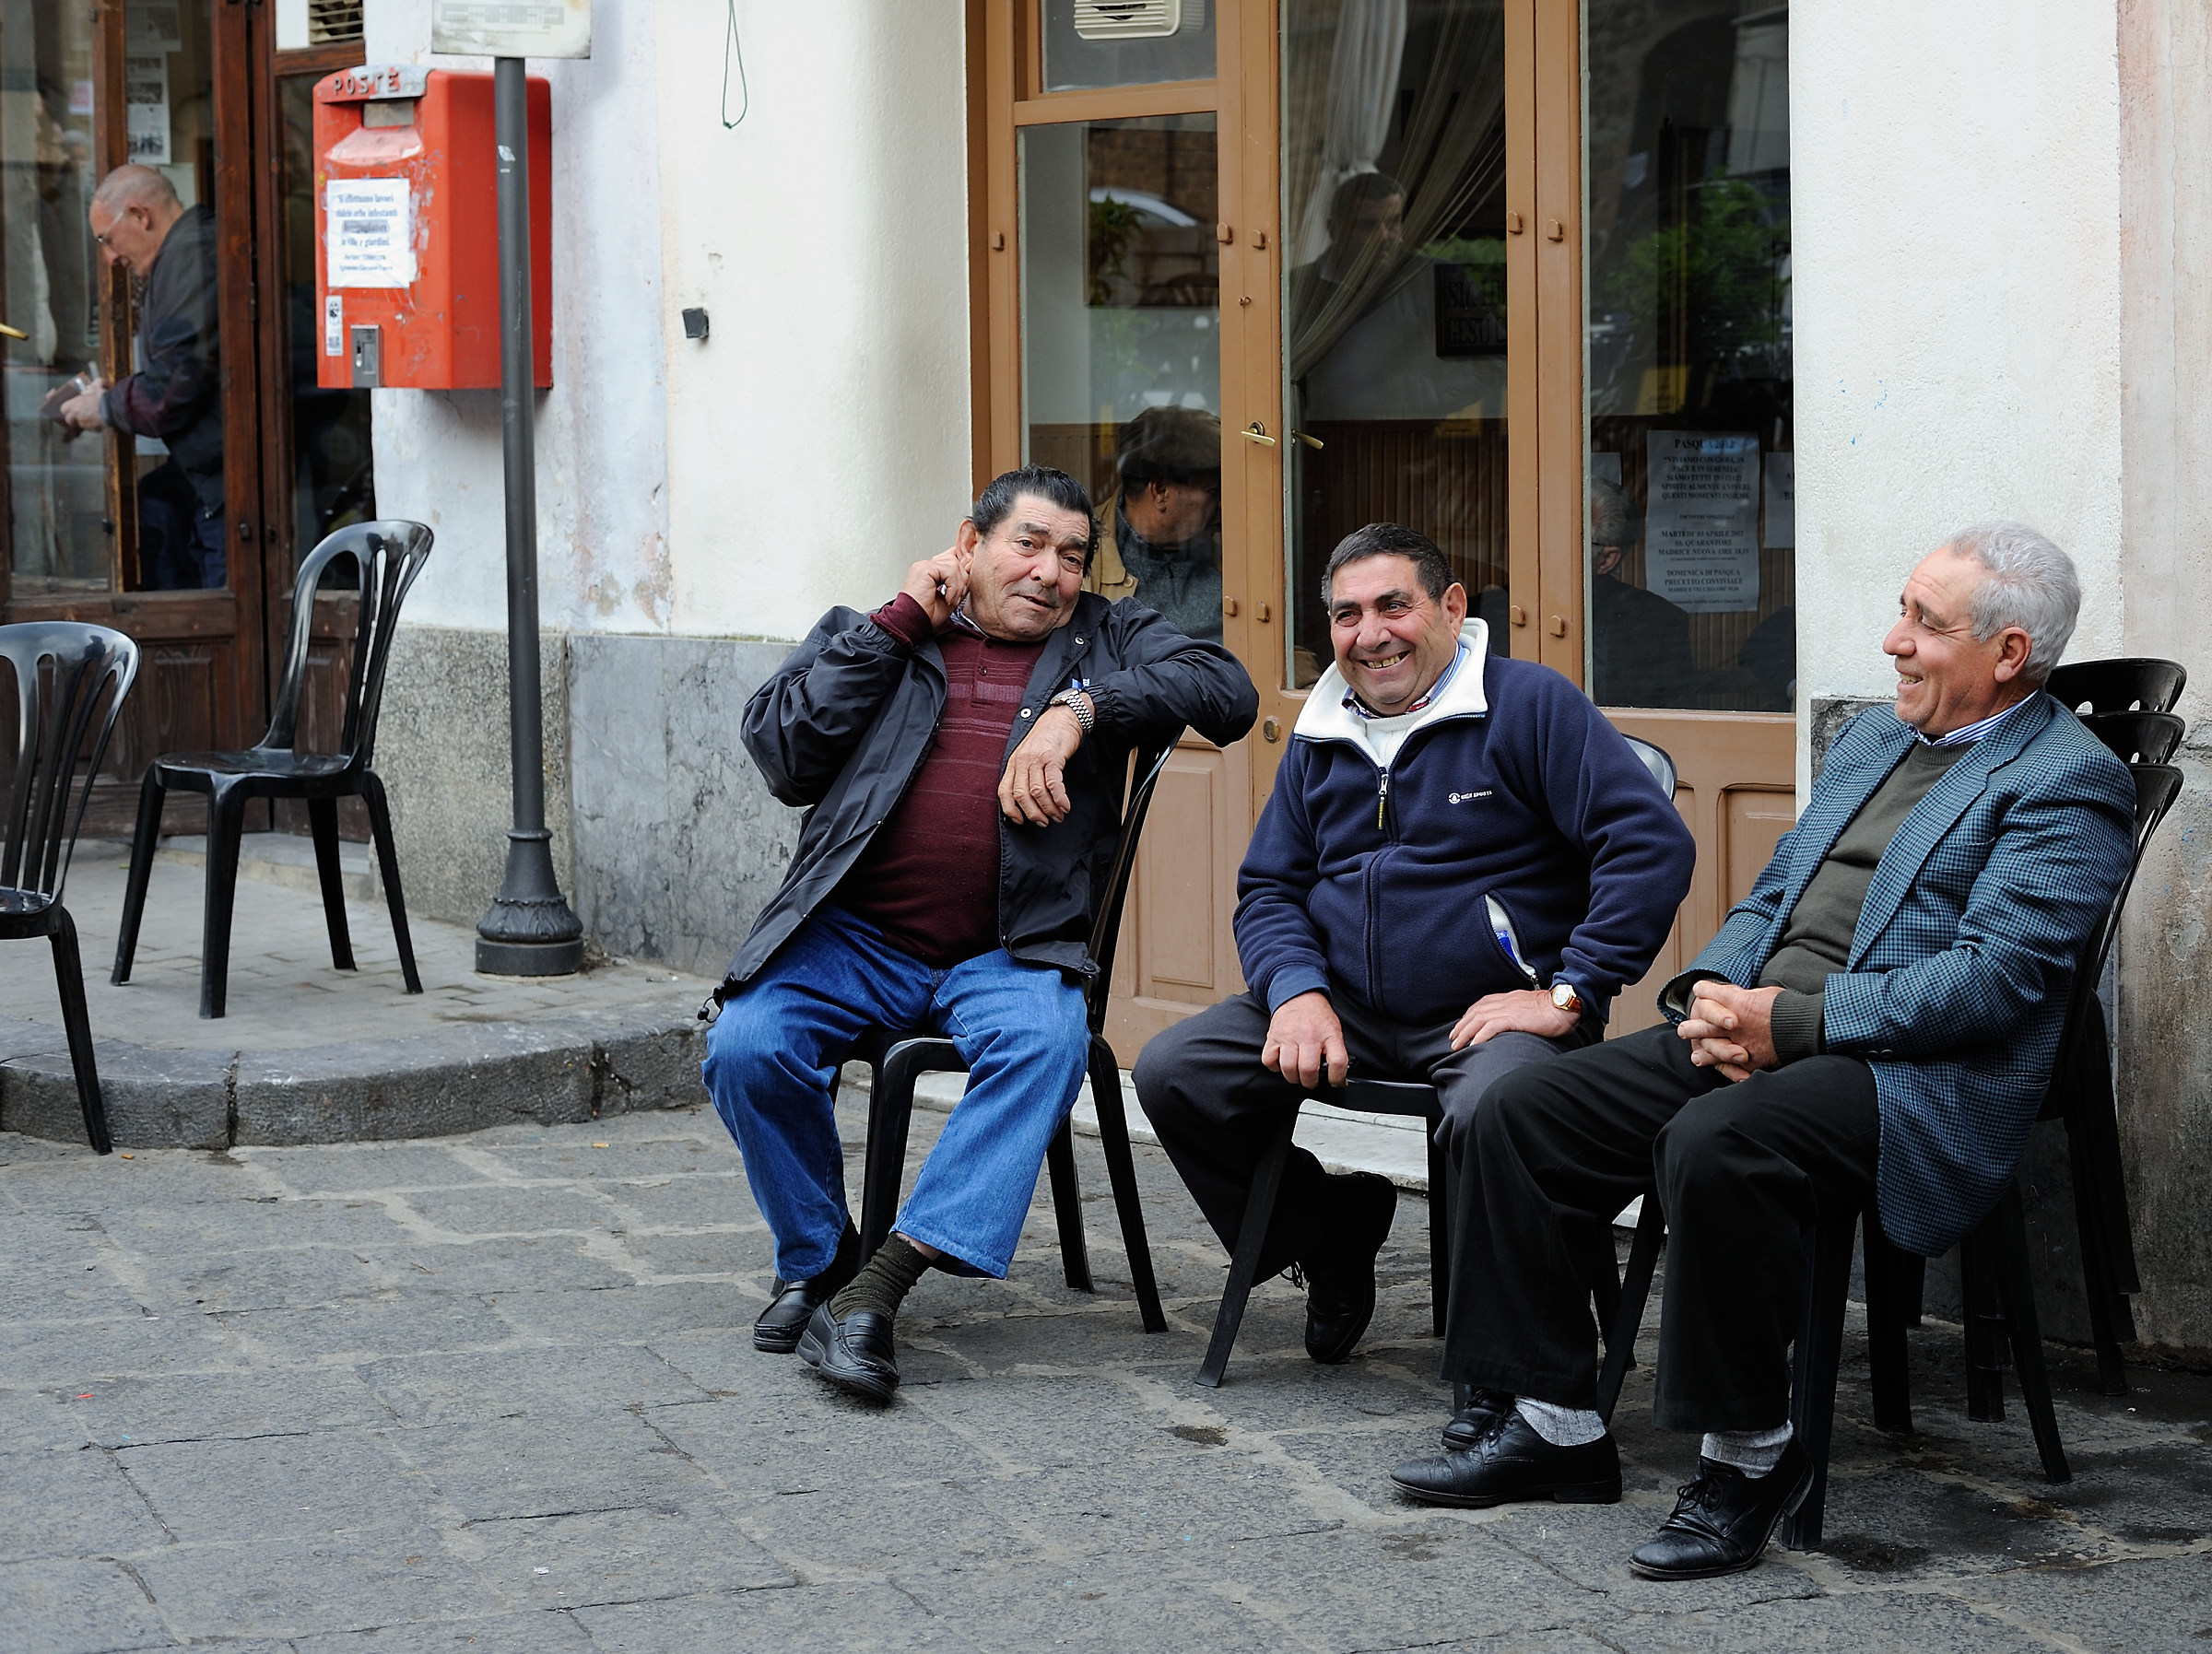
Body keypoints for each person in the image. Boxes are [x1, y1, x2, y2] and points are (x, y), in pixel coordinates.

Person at [1390, 522, 2135, 1582]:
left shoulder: (2068, 781)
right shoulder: (1876, 739)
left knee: (1717, 1142)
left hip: (1909, 1069)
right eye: (1902, 610)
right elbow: (1776, 890)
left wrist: (1790, 1025)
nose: (1893, 640)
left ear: (2008, 653)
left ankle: (1748, 1456)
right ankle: (1552, 1422)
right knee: (1520, 1111)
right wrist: (1712, 993)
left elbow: (1993, 982)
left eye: (1925, 624)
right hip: (1768, 1024)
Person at [700, 464, 1257, 1404]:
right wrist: (896, 624)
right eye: (1027, 545)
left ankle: (880, 1284)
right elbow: (784, 754)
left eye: (1072, 556)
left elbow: (1228, 691)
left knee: (1047, 1043)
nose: (1050, 572)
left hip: (1013, 949)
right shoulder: (878, 632)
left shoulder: (1108, 637)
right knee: (746, 1043)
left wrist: (1080, 709)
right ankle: (820, 1257)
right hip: (856, 939)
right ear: (969, 544)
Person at [1134, 522, 1695, 1367]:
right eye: (1347, 615)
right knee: (1176, 1071)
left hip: (1491, 1019)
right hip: (1345, 1007)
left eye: (1393, 606)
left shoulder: (1528, 704)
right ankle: (1329, 1232)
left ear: (1451, 607)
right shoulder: (1321, 728)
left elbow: (1650, 846)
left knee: (1500, 1113)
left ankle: (1519, 1369)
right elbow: (1271, 886)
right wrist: (1295, 989)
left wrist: (1571, 989)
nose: (1371, 635)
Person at [59, 165, 223, 590]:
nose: (111, 258)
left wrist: (105, 406)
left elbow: (172, 387)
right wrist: (114, 396)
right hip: (210, 483)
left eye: (107, 240)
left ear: (140, 215)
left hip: (228, 491)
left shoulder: (190, 257)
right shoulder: (184, 255)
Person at [1087, 405, 1224, 642]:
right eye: (1213, 492)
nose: (1224, 504)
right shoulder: (1080, 557)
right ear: (1161, 492)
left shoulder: (1234, 546)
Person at [1587, 477, 1697, 709]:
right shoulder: (1511, 608)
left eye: (1573, 538)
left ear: (1606, 560)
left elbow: (1675, 716)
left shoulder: (1658, 623)